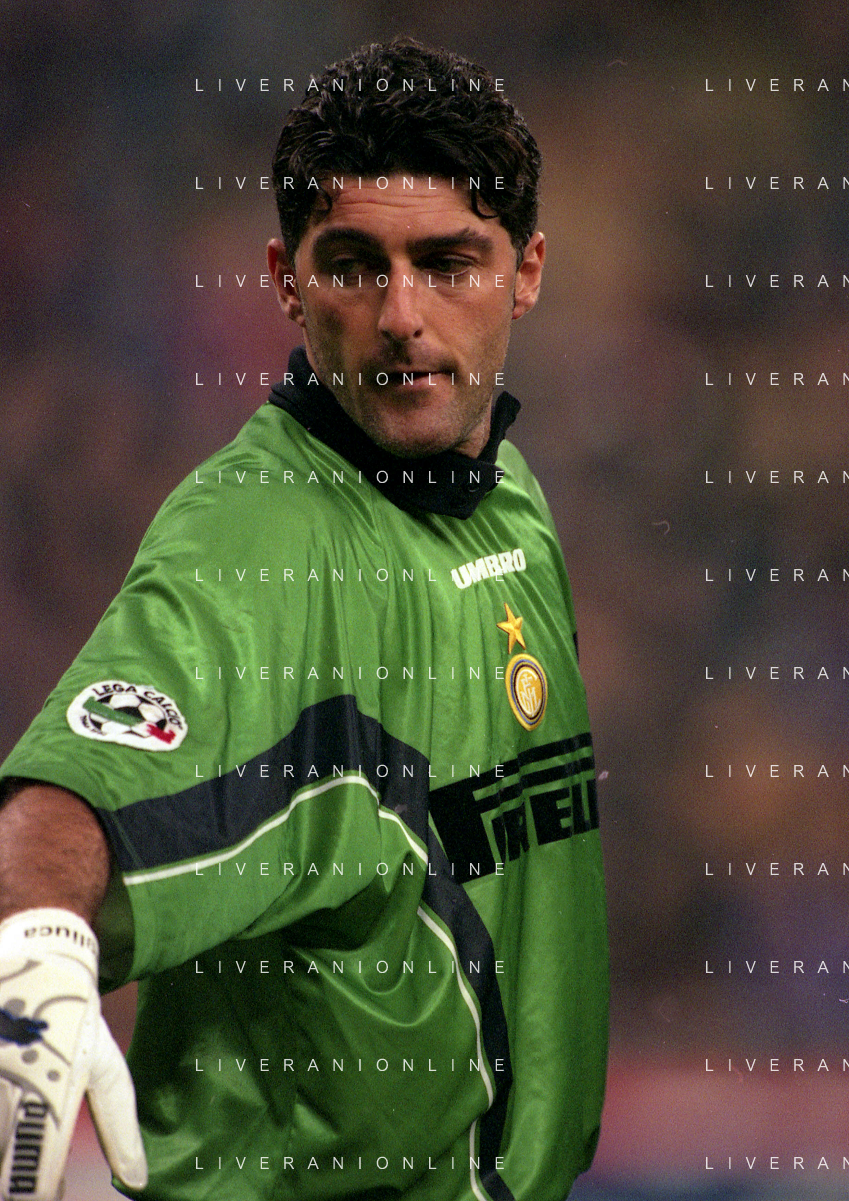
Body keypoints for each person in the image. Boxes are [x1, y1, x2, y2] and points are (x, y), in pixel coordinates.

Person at [0, 36, 608, 1201]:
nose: (401, 316)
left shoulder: (507, 494)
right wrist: (36, 943)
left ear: (525, 271)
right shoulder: (255, 545)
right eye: (354, 267)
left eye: (448, 264)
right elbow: (65, 798)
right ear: (287, 280)